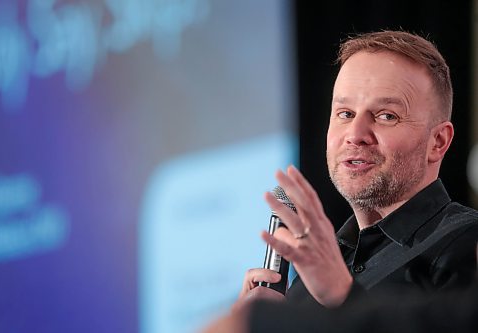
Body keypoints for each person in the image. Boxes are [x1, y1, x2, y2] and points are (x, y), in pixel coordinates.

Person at [202, 30, 478, 331]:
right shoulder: (311, 278)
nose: (356, 134)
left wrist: (342, 297)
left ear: (437, 142)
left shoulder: (465, 242)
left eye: (386, 116)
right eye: (345, 113)